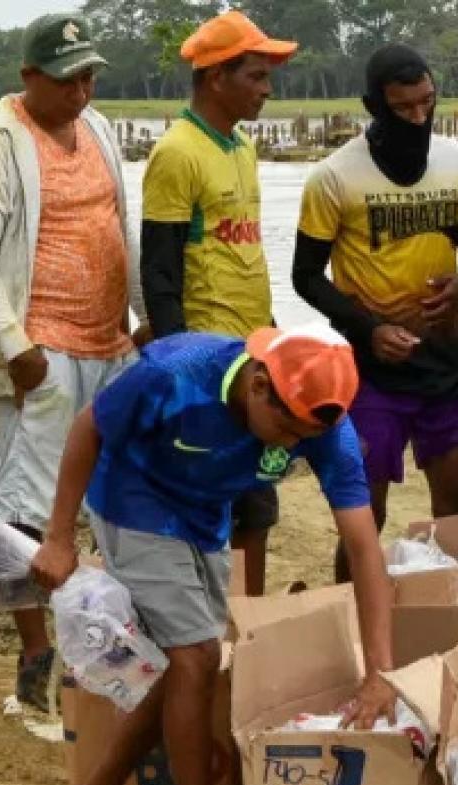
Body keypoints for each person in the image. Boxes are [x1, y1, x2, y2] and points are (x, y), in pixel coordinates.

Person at [30, 324, 397, 785]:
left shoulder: (324, 428)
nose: (291, 447)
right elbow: (87, 430)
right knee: (196, 658)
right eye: (284, 430)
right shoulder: (173, 375)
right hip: (133, 496)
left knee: (190, 665)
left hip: (204, 513)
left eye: (303, 439)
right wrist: (58, 537)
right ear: (257, 385)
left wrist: (380, 672)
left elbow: (363, 546)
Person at [0, 13, 143, 711]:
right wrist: (14, 346)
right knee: (29, 514)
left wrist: (144, 316)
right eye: (68, 79)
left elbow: (124, 226)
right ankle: (35, 657)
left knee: (114, 502)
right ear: (29, 76)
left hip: (110, 343)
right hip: (40, 350)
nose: (83, 90)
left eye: (90, 76)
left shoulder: (99, 130)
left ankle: (102, 649)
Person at [140, 10, 297, 597]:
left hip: (253, 349)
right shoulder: (178, 153)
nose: (266, 89)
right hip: (206, 357)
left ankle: (247, 625)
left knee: (257, 500)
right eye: (255, 76)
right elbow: (159, 269)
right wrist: (177, 362)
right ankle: (207, 625)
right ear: (214, 78)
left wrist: (275, 336)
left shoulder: (242, 149)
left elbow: (247, 254)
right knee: (206, 499)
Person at [293, 44, 458, 582]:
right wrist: (369, 328)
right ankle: (351, 621)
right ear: (375, 107)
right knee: (365, 514)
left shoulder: (453, 163)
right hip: (370, 372)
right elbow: (305, 275)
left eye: (427, 104)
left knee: (453, 512)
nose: (418, 117)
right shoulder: (334, 178)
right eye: (403, 108)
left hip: (445, 364)